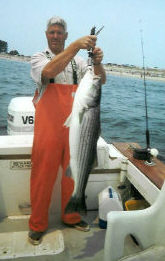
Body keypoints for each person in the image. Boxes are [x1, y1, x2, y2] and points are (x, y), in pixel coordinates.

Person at [28, 16, 106, 245]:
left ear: (65, 35)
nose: (55, 36)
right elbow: (49, 72)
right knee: (42, 176)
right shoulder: (39, 57)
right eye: (52, 32)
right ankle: (37, 225)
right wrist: (74, 47)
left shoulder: (80, 63)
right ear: (46, 35)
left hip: (76, 128)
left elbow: (100, 81)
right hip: (49, 129)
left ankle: (71, 216)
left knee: (73, 175)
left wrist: (98, 62)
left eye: (59, 33)